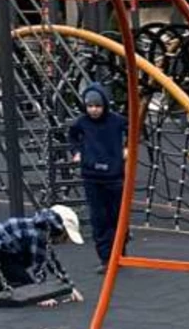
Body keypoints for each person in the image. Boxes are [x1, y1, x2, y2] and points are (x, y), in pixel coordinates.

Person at [0, 205, 85, 308]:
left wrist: (70, 288)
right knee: (25, 282)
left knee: (19, 274)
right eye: (65, 237)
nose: (63, 242)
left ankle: (0, 282)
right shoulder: (39, 235)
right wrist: (42, 295)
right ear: (59, 230)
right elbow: (39, 267)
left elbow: (52, 262)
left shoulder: (39, 226)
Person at [66, 80, 127, 266]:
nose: (94, 110)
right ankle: (105, 257)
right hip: (92, 176)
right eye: (90, 106)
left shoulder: (116, 121)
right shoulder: (82, 122)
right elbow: (72, 136)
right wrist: (77, 152)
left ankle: (120, 251)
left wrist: (127, 148)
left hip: (114, 176)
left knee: (117, 216)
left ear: (105, 105)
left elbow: (134, 128)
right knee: (99, 218)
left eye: (98, 106)